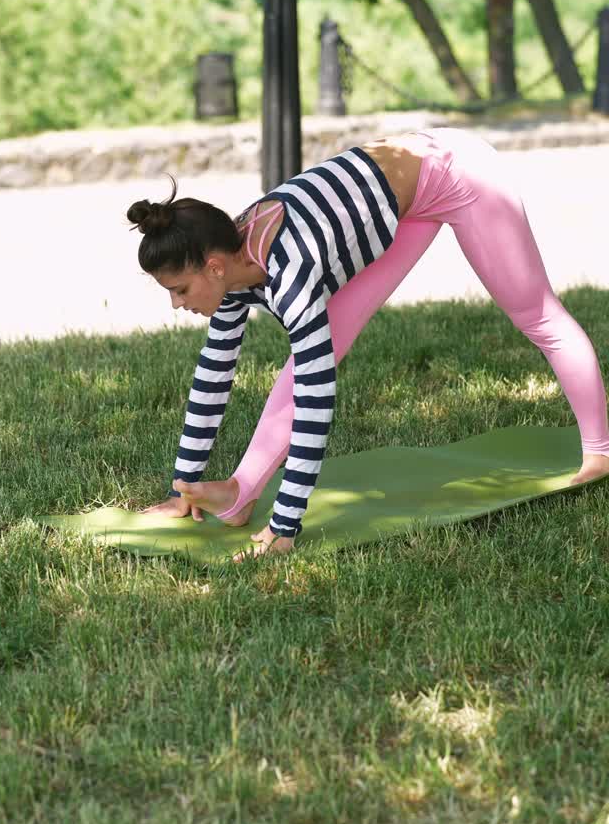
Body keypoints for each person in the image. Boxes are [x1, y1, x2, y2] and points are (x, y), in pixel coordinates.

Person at [127, 128, 609, 559]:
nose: (176, 304)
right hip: (400, 198)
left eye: (179, 290)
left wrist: (286, 523)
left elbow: (318, 399)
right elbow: (215, 370)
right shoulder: (229, 262)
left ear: (212, 267)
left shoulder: (290, 273)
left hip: (459, 174)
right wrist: (180, 488)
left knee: (535, 313)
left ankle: (599, 451)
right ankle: (240, 492)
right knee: (306, 360)